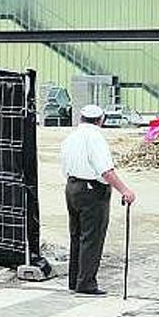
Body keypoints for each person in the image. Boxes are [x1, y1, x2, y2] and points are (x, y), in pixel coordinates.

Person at [61, 104, 136, 296]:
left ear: (80, 118)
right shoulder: (95, 138)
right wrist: (124, 190)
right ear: (101, 120)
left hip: (72, 187)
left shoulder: (71, 137)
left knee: (76, 235)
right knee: (92, 237)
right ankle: (86, 283)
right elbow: (105, 170)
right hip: (92, 190)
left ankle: (75, 280)